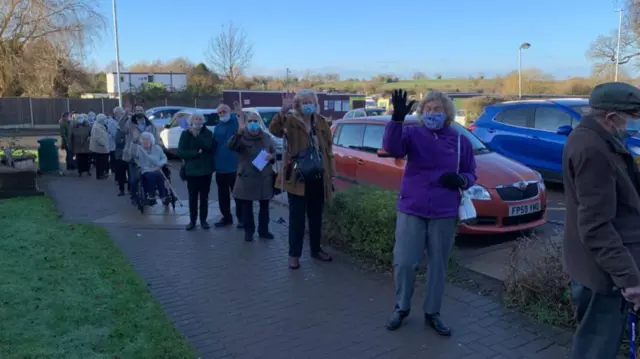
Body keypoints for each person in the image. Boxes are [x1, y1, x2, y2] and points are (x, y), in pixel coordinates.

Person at [382, 89, 476, 336]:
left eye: (438, 109)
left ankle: (432, 312)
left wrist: (460, 179)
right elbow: (392, 148)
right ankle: (401, 307)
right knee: (404, 262)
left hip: (444, 211)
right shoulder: (412, 133)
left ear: (447, 113)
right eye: (428, 109)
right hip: (412, 207)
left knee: (438, 265)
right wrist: (396, 120)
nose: (433, 113)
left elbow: (471, 173)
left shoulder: (459, 140)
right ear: (421, 113)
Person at [562, 82, 640, 359]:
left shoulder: (595, 139)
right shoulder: (594, 150)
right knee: (596, 348)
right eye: (633, 118)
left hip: (596, 268)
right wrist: (629, 279)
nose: (635, 125)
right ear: (611, 117)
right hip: (602, 274)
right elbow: (596, 226)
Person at [269, 89, 335, 269]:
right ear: (298, 104)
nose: (307, 104)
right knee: (297, 219)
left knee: (316, 217)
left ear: (315, 103)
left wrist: (331, 176)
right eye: (303, 101)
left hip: (318, 177)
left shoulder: (321, 122)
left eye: (310, 101)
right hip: (297, 177)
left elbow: (328, 151)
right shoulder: (290, 121)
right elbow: (274, 130)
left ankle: (315, 249)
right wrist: (283, 110)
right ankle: (294, 254)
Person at [228, 109, 276, 242]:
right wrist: (238, 132)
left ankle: (263, 230)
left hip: (264, 177)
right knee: (247, 206)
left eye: (256, 121)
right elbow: (231, 146)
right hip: (247, 176)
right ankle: (249, 232)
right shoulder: (241, 136)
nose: (253, 123)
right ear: (246, 123)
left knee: (264, 206)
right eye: (250, 121)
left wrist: (270, 156)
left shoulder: (266, 137)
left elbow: (274, 152)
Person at [178, 113, 215, 231]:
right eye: (195, 119)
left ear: (203, 121)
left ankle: (203, 221)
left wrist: (197, 136)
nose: (198, 121)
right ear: (191, 121)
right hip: (192, 171)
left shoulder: (208, 133)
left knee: (204, 197)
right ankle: (192, 221)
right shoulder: (185, 134)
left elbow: (208, 147)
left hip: (205, 171)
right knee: (192, 197)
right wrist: (196, 153)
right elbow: (181, 151)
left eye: (200, 119)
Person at [122, 105, 161, 204]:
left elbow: (156, 138)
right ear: (134, 112)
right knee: (134, 179)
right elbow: (122, 128)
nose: (139, 112)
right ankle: (134, 197)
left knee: (149, 176)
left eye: (141, 110)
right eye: (137, 110)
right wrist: (125, 115)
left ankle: (149, 195)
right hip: (133, 154)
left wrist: (157, 149)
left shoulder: (150, 124)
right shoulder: (130, 123)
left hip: (147, 154)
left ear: (144, 111)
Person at [213, 103, 243, 228]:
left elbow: (243, 127)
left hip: (235, 166)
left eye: (224, 111)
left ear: (229, 111)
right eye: (219, 112)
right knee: (222, 195)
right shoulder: (217, 127)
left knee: (238, 195)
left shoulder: (235, 122)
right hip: (220, 167)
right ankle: (226, 217)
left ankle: (242, 219)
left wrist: (239, 114)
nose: (222, 114)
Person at [129, 132, 169, 205]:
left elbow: (164, 158)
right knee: (151, 176)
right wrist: (133, 142)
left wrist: (159, 165)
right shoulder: (139, 149)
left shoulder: (157, 148)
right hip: (145, 169)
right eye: (143, 139)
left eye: (147, 139)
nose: (145, 141)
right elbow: (132, 154)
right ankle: (151, 195)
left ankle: (163, 196)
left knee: (160, 176)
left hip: (157, 168)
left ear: (151, 140)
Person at [113, 107, 129, 196]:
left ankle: (131, 189)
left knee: (131, 173)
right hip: (120, 154)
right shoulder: (119, 128)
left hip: (129, 154)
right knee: (121, 173)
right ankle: (121, 190)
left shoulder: (130, 128)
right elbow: (118, 141)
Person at [89, 114, 110, 179]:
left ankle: (101, 174)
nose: (105, 121)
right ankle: (100, 175)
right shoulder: (96, 127)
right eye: (104, 119)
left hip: (101, 147)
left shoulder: (99, 125)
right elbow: (98, 138)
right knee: (100, 162)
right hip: (99, 148)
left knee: (102, 162)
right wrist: (104, 143)